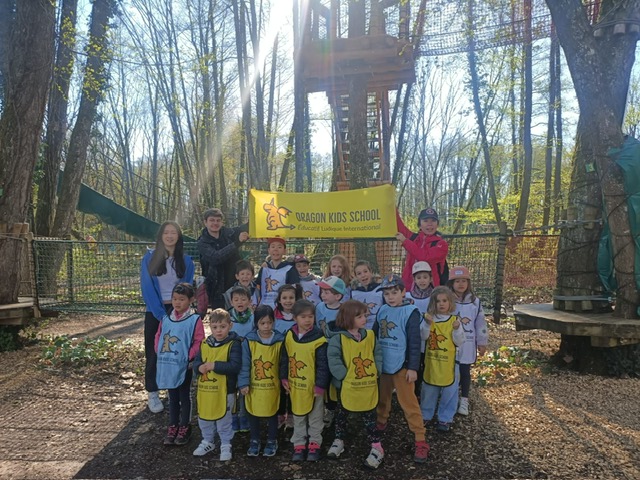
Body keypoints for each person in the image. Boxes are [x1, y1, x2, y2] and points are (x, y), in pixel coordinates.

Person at [375, 274, 430, 464]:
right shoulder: (382, 310)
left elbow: (415, 341)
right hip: (384, 364)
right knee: (382, 398)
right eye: (387, 293)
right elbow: (374, 335)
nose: (390, 297)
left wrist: (412, 367)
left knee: (409, 403)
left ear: (403, 292)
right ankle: (380, 423)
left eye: (394, 292)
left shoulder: (411, 312)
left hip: (402, 366)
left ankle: (420, 438)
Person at [141, 221, 195, 414]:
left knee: (177, 350)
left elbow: (187, 287)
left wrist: (178, 310)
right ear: (161, 236)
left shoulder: (186, 261)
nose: (170, 236)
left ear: (179, 237)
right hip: (155, 310)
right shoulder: (149, 258)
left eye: (174, 233)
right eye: (166, 233)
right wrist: (161, 314)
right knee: (154, 350)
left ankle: (174, 388)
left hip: (178, 309)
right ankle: (153, 392)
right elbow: (147, 287)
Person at [326, 300, 384, 469]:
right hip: (347, 386)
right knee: (342, 414)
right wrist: (343, 375)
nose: (364, 319)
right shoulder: (338, 339)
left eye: (365, 315)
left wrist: (377, 369)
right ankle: (339, 440)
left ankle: (377, 447)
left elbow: (377, 353)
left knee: (370, 416)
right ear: (348, 318)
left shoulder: (370, 336)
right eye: (359, 316)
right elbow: (333, 358)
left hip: (368, 386)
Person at [279, 300, 329, 462]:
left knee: (315, 416)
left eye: (310, 317)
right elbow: (285, 358)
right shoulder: (289, 336)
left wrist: (320, 385)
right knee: (298, 415)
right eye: (303, 317)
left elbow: (323, 365)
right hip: (296, 385)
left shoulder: (318, 338)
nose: (307, 320)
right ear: (295, 318)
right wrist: (284, 377)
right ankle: (299, 443)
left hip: (313, 387)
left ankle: (315, 443)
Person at [155, 283, 204, 446]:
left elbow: (199, 340)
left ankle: (185, 426)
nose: (177, 302)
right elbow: (159, 335)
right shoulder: (166, 318)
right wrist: (158, 350)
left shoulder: (194, 319)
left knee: (184, 395)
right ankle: (173, 425)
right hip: (168, 364)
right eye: (174, 299)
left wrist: (188, 356)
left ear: (191, 300)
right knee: (172, 396)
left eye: (181, 299)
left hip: (184, 365)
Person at [192, 308, 242, 461]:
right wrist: (199, 368)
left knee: (224, 420)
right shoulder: (205, 344)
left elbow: (235, 366)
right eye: (215, 327)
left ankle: (226, 444)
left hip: (225, 391)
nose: (219, 330)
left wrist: (215, 366)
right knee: (204, 416)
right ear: (210, 327)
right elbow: (197, 362)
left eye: (222, 326)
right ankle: (208, 440)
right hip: (206, 391)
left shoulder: (234, 344)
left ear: (230, 326)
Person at [238, 305, 285, 457]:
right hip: (254, 386)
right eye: (262, 323)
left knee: (272, 411)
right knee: (253, 411)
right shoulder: (249, 341)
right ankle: (254, 439)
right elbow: (245, 364)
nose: (266, 326)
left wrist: (284, 380)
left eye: (269, 322)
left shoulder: (280, 340)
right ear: (256, 323)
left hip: (273, 386)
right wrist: (243, 383)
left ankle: (272, 440)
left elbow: (283, 363)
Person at [420, 286, 464, 432]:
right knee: (429, 390)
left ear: (450, 302)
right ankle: (425, 415)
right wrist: (427, 324)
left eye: (444, 300)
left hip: (449, 363)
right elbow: (423, 336)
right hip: (432, 362)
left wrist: (457, 329)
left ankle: (445, 418)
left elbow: (459, 341)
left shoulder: (455, 320)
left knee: (449, 392)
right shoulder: (428, 319)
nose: (441, 304)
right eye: (438, 301)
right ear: (433, 303)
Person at [446, 266, 488, 416]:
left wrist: (482, 341)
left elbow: (480, 323)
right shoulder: (447, 300)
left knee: (465, 371)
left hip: (468, 343)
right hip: (451, 342)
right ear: (452, 283)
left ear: (468, 283)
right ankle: (450, 398)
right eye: (457, 281)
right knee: (450, 370)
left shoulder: (475, 302)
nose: (461, 284)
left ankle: (464, 399)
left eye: (464, 281)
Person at [197, 208, 249, 311]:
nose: (215, 223)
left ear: (222, 222)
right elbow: (216, 257)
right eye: (212, 220)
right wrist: (237, 243)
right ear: (205, 222)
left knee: (238, 315)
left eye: (218, 220)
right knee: (220, 318)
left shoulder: (230, 233)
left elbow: (249, 226)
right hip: (216, 290)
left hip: (235, 285)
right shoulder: (202, 242)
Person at [396, 207, 448, 289]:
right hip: (409, 288)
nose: (430, 224)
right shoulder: (414, 238)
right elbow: (398, 226)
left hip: (431, 290)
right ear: (419, 224)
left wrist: (405, 241)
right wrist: (392, 208)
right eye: (425, 221)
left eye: (433, 221)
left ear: (437, 224)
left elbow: (424, 257)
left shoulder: (441, 244)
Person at [227, 286, 254, 433]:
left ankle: (244, 416)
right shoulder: (227, 318)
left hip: (247, 358)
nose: (240, 302)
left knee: (244, 388)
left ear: (249, 301)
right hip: (231, 359)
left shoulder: (253, 318)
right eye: (236, 299)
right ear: (231, 302)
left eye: (243, 299)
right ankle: (232, 416)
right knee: (231, 390)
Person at [256, 238, 300, 309]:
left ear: (284, 251)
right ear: (268, 250)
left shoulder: (289, 269)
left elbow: (294, 289)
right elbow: (257, 286)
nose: (276, 250)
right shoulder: (264, 269)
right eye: (273, 247)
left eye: (279, 247)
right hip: (264, 307)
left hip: (283, 308)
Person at [350, 260, 383, 329]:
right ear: (356, 276)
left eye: (365, 271)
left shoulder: (380, 289)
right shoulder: (354, 292)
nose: (363, 275)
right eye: (359, 273)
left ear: (371, 272)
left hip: (379, 326)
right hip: (361, 329)